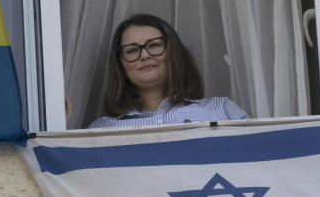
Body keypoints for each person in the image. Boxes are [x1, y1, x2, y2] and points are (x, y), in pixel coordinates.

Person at [87, 14, 249, 128]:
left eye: (155, 45)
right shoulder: (102, 129)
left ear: (174, 53)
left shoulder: (222, 110)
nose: (144, 55)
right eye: (131, 50)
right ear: (120, 64)